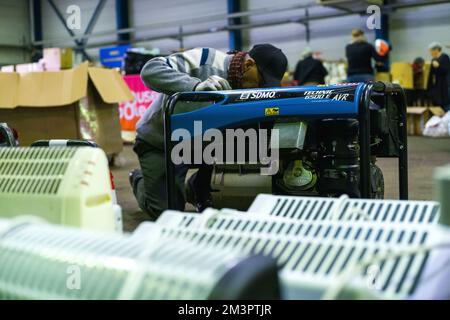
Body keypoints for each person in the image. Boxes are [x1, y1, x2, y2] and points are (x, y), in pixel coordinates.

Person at [130, 44, 288, 220]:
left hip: (201, 144)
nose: (261, 87)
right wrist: (195, 86)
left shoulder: (248, 88)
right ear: (248, 64)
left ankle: (197, 187)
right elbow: (150, 70)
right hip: (161, 143)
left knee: (251, 142)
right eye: (262, 81)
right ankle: (138, 179)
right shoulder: (206, 59)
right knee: (167, 212)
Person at [427, 42, 450, 112]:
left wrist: (438, 66)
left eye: (431, 51)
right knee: (438, 106)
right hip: (437, 87)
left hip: (445, 86)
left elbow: (446, 70)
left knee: (446, 105)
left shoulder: (445, 57)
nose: (430, 53)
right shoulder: (433, 60)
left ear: (436, 50)